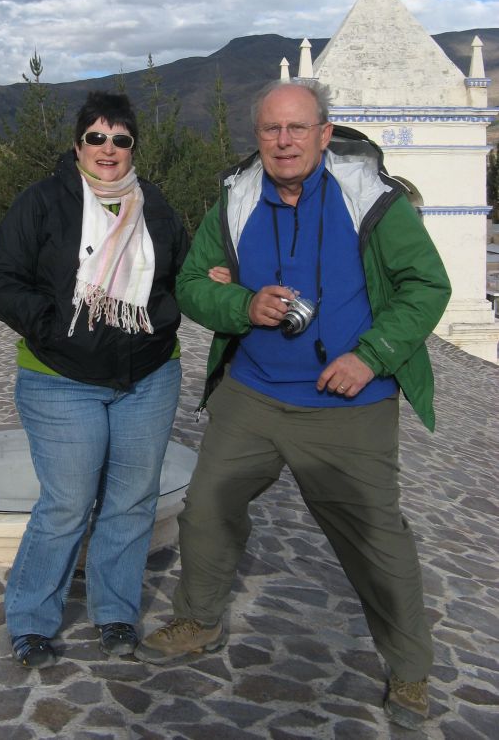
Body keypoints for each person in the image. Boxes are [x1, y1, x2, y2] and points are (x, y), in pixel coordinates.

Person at [134, 81, 451, 731]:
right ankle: (198, 619)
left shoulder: (373, 201)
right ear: (257, 137)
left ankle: (410, 670)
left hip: (350, 404)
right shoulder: (237, 199)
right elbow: (192, 285)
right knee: (208, 507)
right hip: (252, 393)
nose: (284, 141)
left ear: (324, 134)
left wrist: (371, 356)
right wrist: (240, 304)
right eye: (271, 129)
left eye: (298, 128)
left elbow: (426, 285)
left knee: (376, 538)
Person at [0, 90, 188, 669]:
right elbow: (6, 284)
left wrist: (185, 304)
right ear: (77, 145)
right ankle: (31, 619)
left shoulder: (155, 206)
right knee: (68, 503)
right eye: (96, 137)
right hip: (61, 377)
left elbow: (181, 274)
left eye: (120, 139)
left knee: (131, 501)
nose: (108, 148)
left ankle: (116, 612)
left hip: (148, 376)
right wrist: (58, 331)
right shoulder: (42, 202)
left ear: (133, 148)